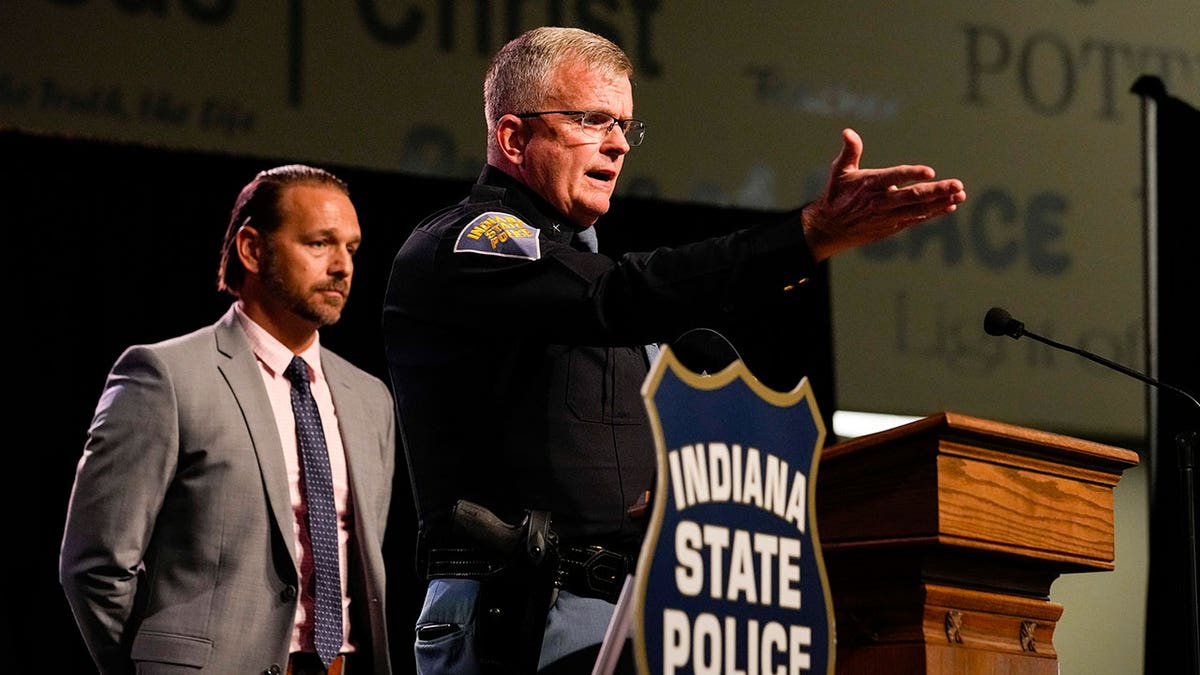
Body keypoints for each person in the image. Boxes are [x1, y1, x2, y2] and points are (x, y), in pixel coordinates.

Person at [382, 26, 966, 674]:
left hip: (644, 611)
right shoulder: (470, 245)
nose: (616, 144)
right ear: (515, 137)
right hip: (514, 616)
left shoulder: (590, 275)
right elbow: (621, 299)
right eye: (591, 120)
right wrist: (805, 237)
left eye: (624, 126)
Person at [60, 164, 397, 675]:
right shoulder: (166, 377)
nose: (342, 267)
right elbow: (95, 565)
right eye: (319, 244)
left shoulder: (370, 399)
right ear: (252, 249)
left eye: (350, 248)